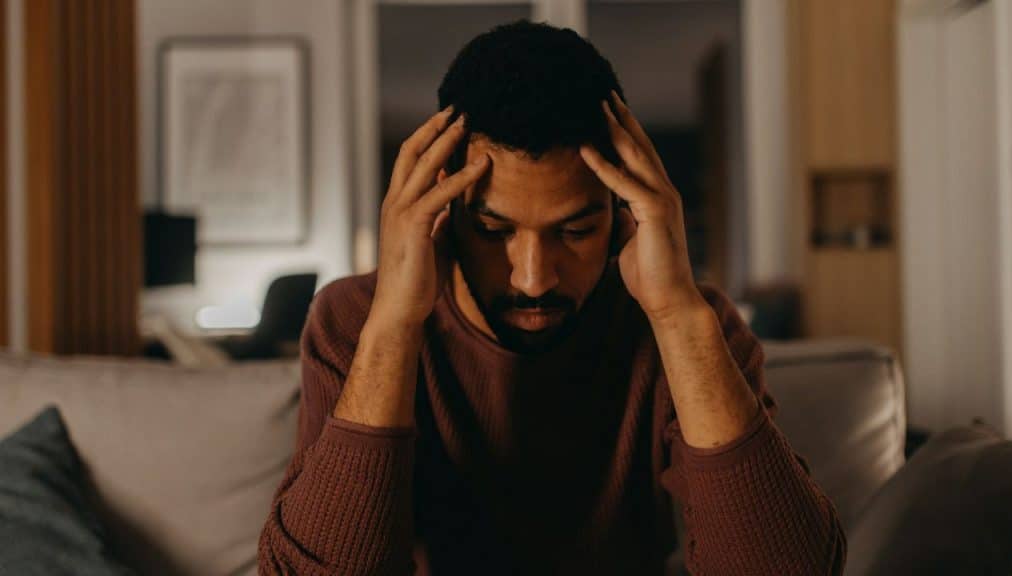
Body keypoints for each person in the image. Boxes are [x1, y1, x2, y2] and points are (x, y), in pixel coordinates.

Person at [258, 20, 845, 575]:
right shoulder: (354, 320)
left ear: (622, 214)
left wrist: (677, 317)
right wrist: (392, 324)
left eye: (575, 231)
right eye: (494, 231)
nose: (533, 279)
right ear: (442, 212)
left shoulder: (695, 324)